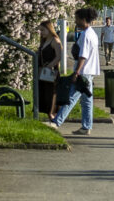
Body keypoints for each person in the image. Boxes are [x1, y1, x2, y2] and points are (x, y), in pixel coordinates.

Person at [49, 7, 100, 135]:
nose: (75, 21)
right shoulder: (92, 34)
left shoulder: (85, 35)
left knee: (71, 97)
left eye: (77, 19)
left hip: (83, 71)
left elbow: (83, 55)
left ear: (83, 19)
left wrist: (76, 72)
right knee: (87, 100)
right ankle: (86, 126)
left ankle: (56, 122)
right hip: (90, 71)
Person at [37, 20, 63, 121]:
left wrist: (49, 66)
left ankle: (53, 113)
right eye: (40, 30)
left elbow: (58, 56)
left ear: (49, 29)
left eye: (43, 30)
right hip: (43, 72)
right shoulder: (43, 41)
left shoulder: (55, 41)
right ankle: (48, 113)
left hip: (51, 72)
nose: (41, 33)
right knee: (45, 92)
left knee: (52, 93)